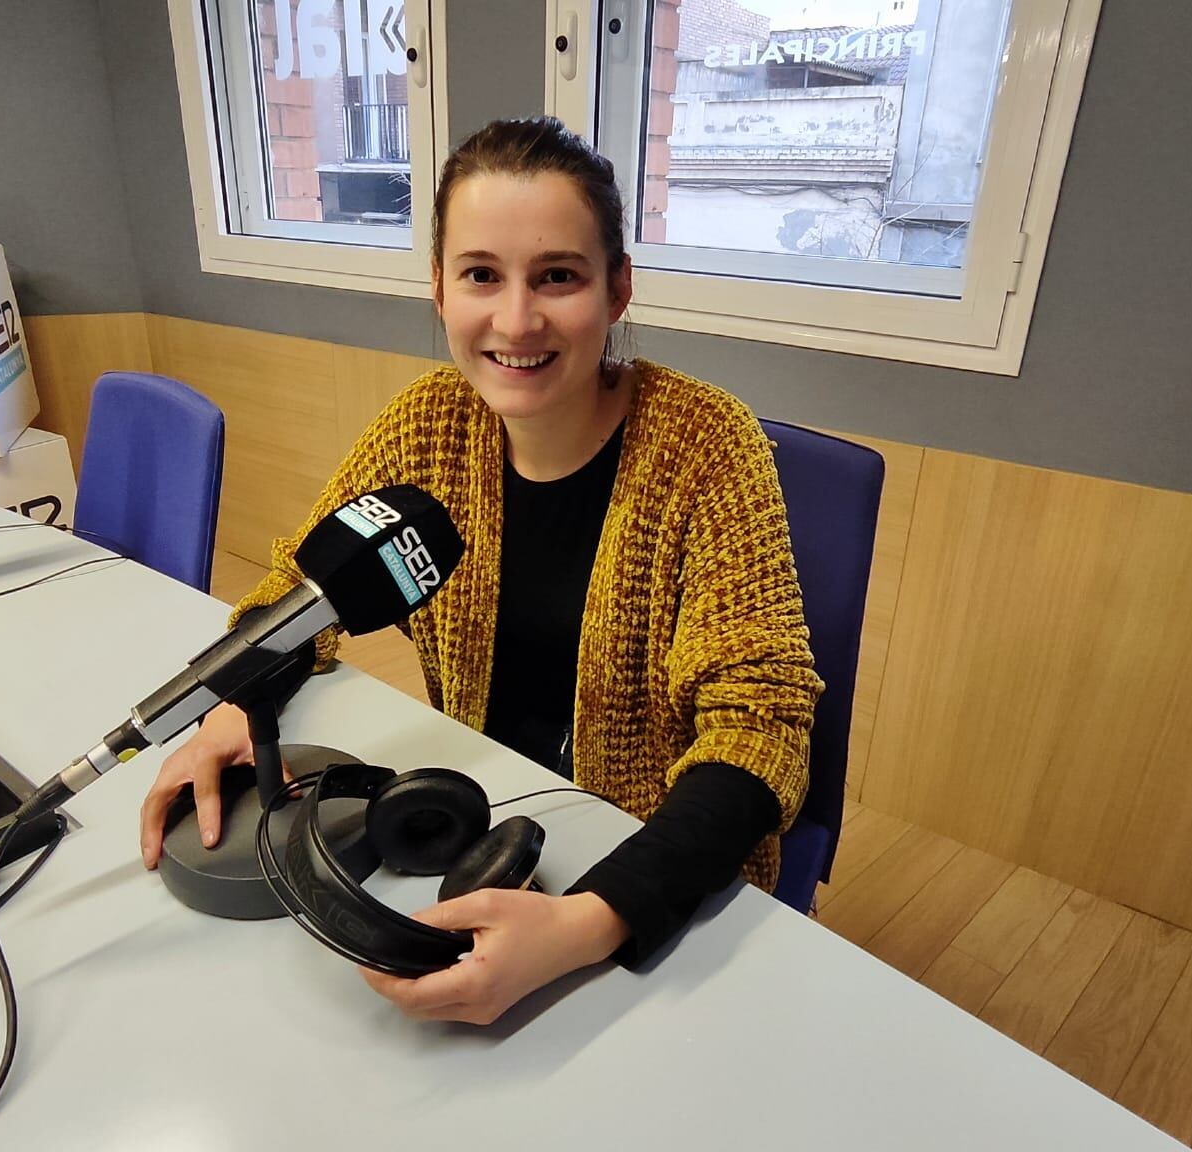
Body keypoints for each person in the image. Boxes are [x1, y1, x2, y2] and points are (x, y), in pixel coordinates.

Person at [137, 117, 820, 1025]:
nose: (516, 320)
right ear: (438, 288)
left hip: (653, 878)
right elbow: (299, 594)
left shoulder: (708, 446)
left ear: (617, 290)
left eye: (559, 277)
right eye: (481, 275)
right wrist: (237, 700)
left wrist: (588, 923)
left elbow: (762, 731)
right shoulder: (429, 425)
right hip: (485, 819)